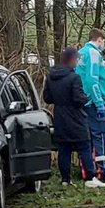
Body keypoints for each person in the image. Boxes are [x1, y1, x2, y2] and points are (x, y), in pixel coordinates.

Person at [43, 47, 92, 184]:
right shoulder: (74, 77)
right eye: (76, 59)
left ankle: (65, 179)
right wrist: (86, 98)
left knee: (64, 149)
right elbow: (78, 99)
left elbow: (47, 98)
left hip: (60, 117)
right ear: (72, 60)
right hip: (76, 118)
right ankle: (90, 177)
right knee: (84, 146)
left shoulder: (51, 76)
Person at [76, 27, 105, 186]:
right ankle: (102, 171)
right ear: (99, 39)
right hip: (93, 102)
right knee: (101, 136)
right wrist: (100, 104)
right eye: (103, 41)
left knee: (89, 138)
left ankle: (88, 171)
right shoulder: (93, 54)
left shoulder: (81, 53)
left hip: (84, 101)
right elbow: (93, 80)